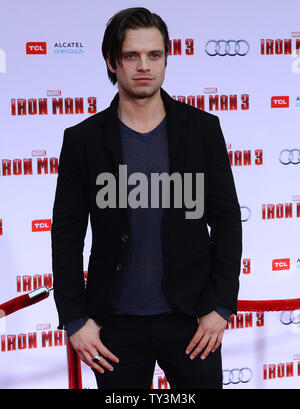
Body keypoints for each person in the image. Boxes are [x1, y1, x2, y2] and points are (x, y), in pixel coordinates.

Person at [51, 7, 242, 389]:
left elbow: (226, 221)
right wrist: (74, 318)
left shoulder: (203, 129)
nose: (144, 66)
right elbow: (66, 234)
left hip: (193, 320)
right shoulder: (83, 140)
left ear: (166, 59)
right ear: (112, 62)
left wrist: (221, 307)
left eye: (154, 55)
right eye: (131, 56)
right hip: (114, 325)